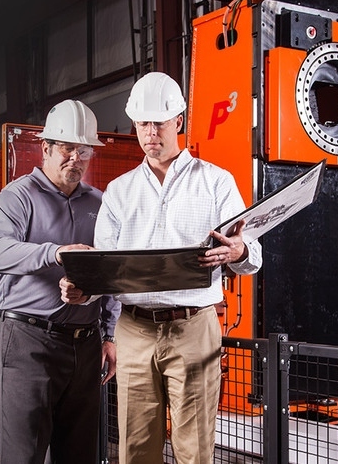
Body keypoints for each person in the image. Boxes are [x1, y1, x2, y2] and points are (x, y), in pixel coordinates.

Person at [60, 72, 263, 464]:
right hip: (133, 331)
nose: (150, 132)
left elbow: (253, 251)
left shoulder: (216, 182)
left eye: (159, 123)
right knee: (136, 447)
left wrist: (237, 251)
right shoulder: (119, 191)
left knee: (194, 447)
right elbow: (105, 263)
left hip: (194, 327)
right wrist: (84, 286)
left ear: (178, 122)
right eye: (142, 123)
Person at [0, 99, 120, 464]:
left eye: (84, 149)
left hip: (86, 344)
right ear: (45, 147)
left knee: (80, 454)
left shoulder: (100, 204)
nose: (76, 157)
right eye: (67, 147)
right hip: (29, 341)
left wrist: (110, 335)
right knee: (23, 454)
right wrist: (54, 253)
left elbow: (111, 271)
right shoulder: (17, 198)